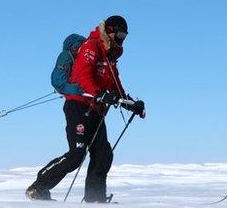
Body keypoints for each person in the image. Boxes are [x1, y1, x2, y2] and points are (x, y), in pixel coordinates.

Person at [26, 15, 145, 203]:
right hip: (78, 106)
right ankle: (37, 188)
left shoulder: (110, 55)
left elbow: (114, 84)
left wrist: (130, 103)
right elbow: (83, 75)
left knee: (103, 153)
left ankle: (94, 199)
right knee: (76, 154)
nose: (122, 39)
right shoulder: (92, 46)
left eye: (124, 36)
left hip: (96, 110)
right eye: (119, 35)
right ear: (110, 31)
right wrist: (99, 93)